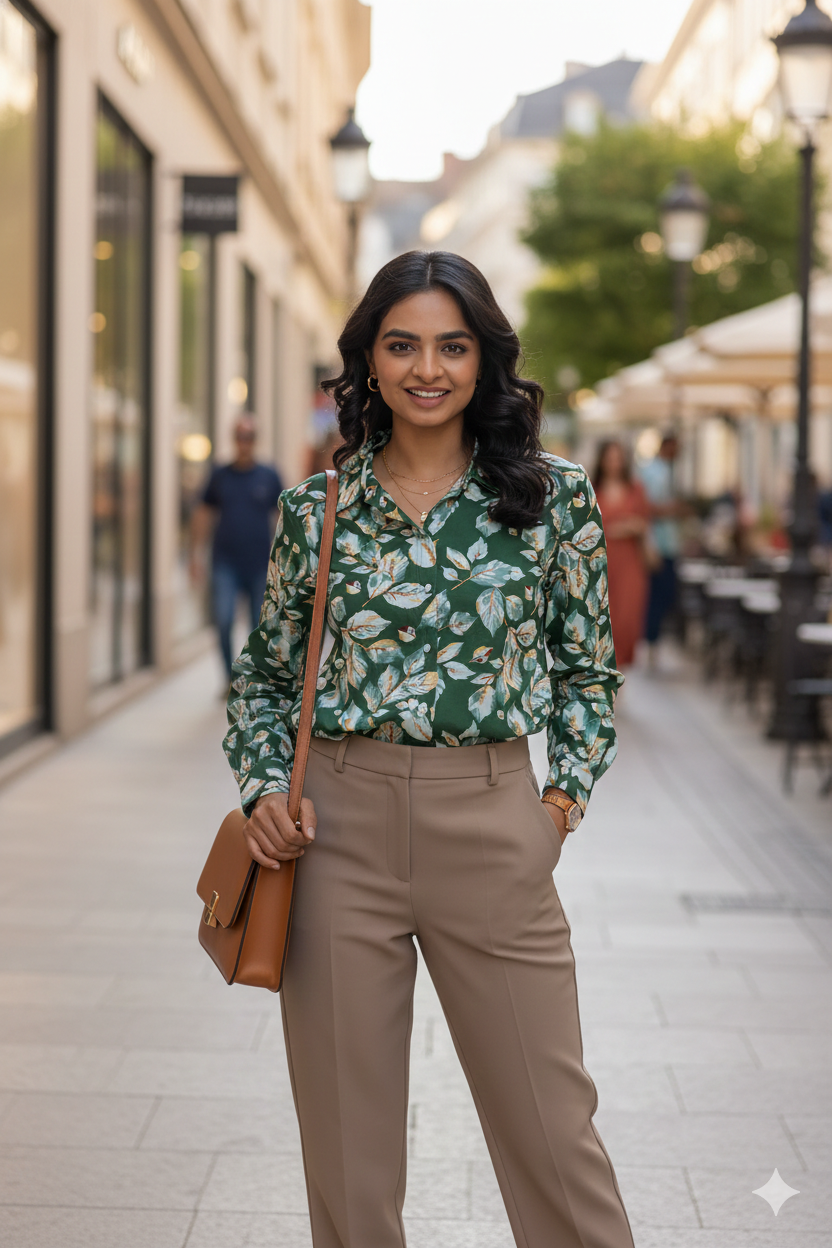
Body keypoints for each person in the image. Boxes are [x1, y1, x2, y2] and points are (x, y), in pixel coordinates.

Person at [223, 252, 633, 1248]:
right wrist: (264, 789)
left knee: (553, 1137)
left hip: (493, 823)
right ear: (367, 358)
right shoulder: (316, 511)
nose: (427, 369)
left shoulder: (553, 501)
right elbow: (266, 681)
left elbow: (588, 676)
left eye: (452, 346)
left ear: (483, 360)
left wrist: (555, 811)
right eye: (401, 345)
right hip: (335, 836)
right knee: (349, 1161)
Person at [191, 414, 283, 679]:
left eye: (249, 437)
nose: (244, 442)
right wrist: (195, 556)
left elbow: (283, 517)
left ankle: (251, 680)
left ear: (255, 441)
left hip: (258, 563)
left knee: (257, 627)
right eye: (240, 437)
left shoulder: (269, 475)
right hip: (225, 563)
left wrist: (285, 559)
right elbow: (203, 515)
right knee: (223, 621)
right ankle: (230, 679)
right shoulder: (220, 475)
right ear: (234, 439)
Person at [592, 440, 650, 667]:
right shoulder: (592, 488)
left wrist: (633, 527)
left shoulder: (636, 489)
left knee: (627, 619)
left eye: (618, 457)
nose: (614, 463)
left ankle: (619, 670)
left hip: (630, 562)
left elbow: (645, 522)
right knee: (604, 619)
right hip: (600, 562)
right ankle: (606, 672)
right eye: (610, 457)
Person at [638, 432, 683, 651]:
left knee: (663, 594)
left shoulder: (666, 471)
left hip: (667, 543)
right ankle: (650, 638)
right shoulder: (655, 472)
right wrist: (673, 509)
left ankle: (652, 638)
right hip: (658, 544)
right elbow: (647, 507)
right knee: (659, 594)